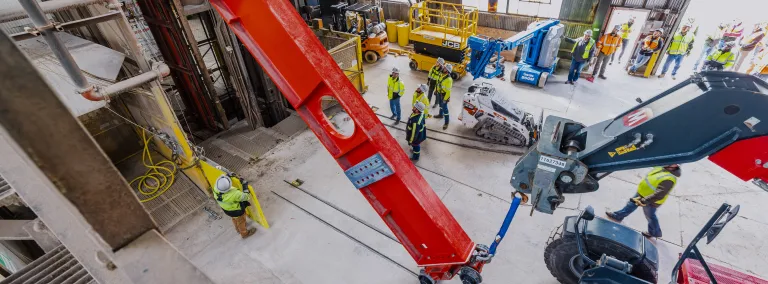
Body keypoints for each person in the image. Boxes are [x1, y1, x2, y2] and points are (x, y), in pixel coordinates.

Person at [606, 165, 681, 238]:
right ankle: (618, 216)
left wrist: (644, 200)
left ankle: (654, 233)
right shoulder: (662, 167)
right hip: (641, 193)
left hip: (651, 201)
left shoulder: (669, 179)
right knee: (630, 205)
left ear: (675, 166)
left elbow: (659, 194)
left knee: (650, 216)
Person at [213, 174, 256, 238]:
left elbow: (223, 183)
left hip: (227, 210)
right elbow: (246, 197)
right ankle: (244, 234)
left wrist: (227, 176)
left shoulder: (216, 189)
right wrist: (245, 186)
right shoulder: (234, 194)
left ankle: (237, 229)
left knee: (235, 219)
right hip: (237, 211)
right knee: (241, 221)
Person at [433, 64, 453, 130]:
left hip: (444, 95)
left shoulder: (449, 80)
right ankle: (440, 115)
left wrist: (445, 99)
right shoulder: (441, 75)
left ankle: (446, 122)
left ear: (447, 71)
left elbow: (448, 91)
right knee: (440, 105)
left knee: (445, 109)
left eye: (444, 68)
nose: (443, 68)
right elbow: (438, 83)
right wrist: (436, 90)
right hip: (439, 93)